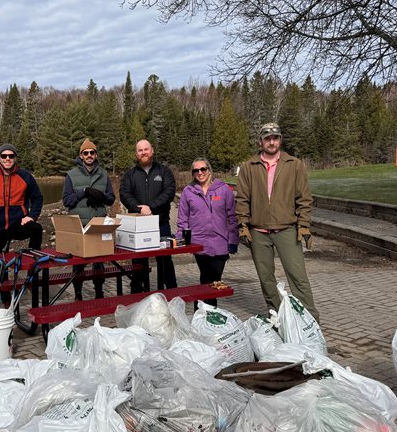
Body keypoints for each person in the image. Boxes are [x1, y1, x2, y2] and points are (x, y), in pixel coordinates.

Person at [235, 122, 319, 320]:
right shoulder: (249, 167)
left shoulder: (294, 164)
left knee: (297, 276)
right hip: (258, 231)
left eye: (275, 138)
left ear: (280, 140)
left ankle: (309, 319)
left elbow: (304, 198)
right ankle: (277, 315)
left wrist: (304, 225)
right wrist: (242, 225)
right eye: (267, 138)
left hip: (287, 229)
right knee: (266, 279)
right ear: (260, 141)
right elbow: (242, 199)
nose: (271, 142)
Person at [176, 158, 238, 306]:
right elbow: (182, 218)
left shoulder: (223, 189)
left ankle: (205, 313)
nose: (200, 173)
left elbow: (232, 216)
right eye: (196, 170)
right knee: (206, 279)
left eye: (203, 169)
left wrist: (234, 239)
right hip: (199, 243)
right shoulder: (188, 192)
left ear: (209, 170)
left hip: (220, 242)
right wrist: (181, 238)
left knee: (214, 279)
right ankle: (204, 314)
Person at [119, 139, 177, 291]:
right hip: (138, 227)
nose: (144, 152)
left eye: (146, 149)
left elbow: (169, 192)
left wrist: (151, 207)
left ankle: (171, 291)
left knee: (165, 260)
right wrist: (139, 209)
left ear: (152, 151)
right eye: (140, 150)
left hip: (161, 224)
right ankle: (138, 292)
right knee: (138, 262)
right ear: (136, 154)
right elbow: (124, 194)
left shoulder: (164, 172)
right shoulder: (130, 175)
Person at [62, 138, 115, 299]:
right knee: (78, 263)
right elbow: (67, 201)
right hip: (79, 223)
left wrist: (101, 197)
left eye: (92, 152)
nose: (89, 155)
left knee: (99, 262)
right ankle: (78, 292)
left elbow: (111, 199)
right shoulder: (71, 175)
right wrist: (84, 191)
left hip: (98, 222)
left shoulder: (104, 174)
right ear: (81, 155)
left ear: (96, 155)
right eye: (86, 153)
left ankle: (99, 291)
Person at [0, 143, 43, 255]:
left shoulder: (25, 176)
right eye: (4, 156)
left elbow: (37, 198)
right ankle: (2, 272)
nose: (7, 158)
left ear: (15, 158)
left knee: (36, 229)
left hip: (19, 223)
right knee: (1, 263)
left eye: (11, 156)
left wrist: (31, 216)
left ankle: (33, 263)